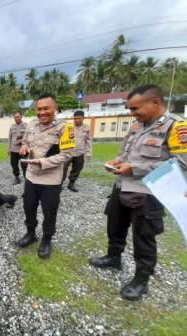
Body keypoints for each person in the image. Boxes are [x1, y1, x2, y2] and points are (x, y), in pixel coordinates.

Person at [89, 84, 187, 301]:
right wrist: (118, 161)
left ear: (155, 102)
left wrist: (135, 168)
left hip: (148, 193)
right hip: (122, 185)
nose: (132, 114)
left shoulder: (176, 127)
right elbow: (125, 151)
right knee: (115, 225)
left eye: (135, 109)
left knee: (144, 237)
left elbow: (181, 164)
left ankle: (141, 280)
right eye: (130, 109)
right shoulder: (136, 125)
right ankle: (113, 258)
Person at [16, 93, 75, 259]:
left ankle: (47, 239)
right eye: (39, 109)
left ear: (55, 108)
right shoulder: (31, 125)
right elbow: (26, 142)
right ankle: (31, 233)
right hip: (31, 176)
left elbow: (67, 155)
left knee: (49, 212)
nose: (41, 112)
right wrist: (24, 148)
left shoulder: (65, 128)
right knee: (29, 207)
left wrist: (42, 162)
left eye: (46, 108)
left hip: (51, 179)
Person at [62, 110, 92, 192]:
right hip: (68, 152)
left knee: (77, 169)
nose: (76, 120)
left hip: (80, 153)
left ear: (83, 118)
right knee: (62, 168)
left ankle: (71, 184)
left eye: (79, 118)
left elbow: (88, 141)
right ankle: (59, 184)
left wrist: (88, 152)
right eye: (75, 118)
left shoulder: (87, 128)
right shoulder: (69, 127)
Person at [8, 111, 28, 184]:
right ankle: (17, 178)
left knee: (24, 165)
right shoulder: (12, 126)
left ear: (21, 117)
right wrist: (8, 148)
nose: (17, 118)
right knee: (13, 164)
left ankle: (26, 178)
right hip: (13, 149)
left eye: (18, 117)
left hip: (23, 149)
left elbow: (29, 137)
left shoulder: (25, 126)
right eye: (15, 117)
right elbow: (9, 138)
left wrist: (22, 140)